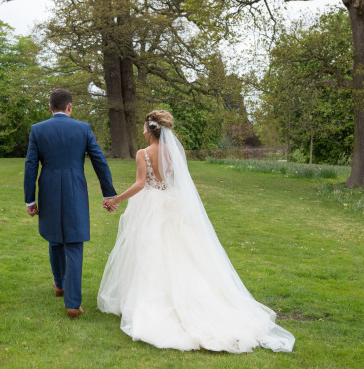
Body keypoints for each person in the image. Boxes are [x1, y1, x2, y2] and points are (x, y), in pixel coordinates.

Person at [98, 110, 295, 353]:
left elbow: (141, 183)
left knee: (151, 252)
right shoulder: (174, 153)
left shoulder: (143, 153)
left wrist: (116, 199)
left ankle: (151, 301)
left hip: (151, 208)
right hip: (173, 205)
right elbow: (178, 182)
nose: (142, 131)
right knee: (181, 251)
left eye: (143, 127)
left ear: (150, 130)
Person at [24, 88, 116, 319]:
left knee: (55, 239)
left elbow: (30, 166)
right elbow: (99, 161)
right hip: (75, 190)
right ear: (69, 107)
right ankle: (72, 303)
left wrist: (30, 199)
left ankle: (59, 284)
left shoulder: (37, 130)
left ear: (50, 107)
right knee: (73, 243)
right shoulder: (82, 128)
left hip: (49, 190)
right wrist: (108, 193)